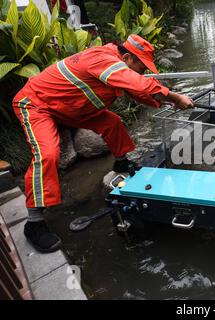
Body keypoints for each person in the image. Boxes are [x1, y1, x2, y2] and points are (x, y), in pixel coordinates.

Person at [12, 34, 194, 253]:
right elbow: (138, 83)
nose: (143, 72)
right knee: (47, 154)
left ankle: (121, 163)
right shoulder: (102, 60)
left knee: (112, 122)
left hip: (72, 106)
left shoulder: (116, 64)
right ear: (127, 58)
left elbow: (140, 90)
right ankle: (34, 223)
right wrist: (174, 98)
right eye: (142, 67)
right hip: (37, 104)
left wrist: (166, 99)